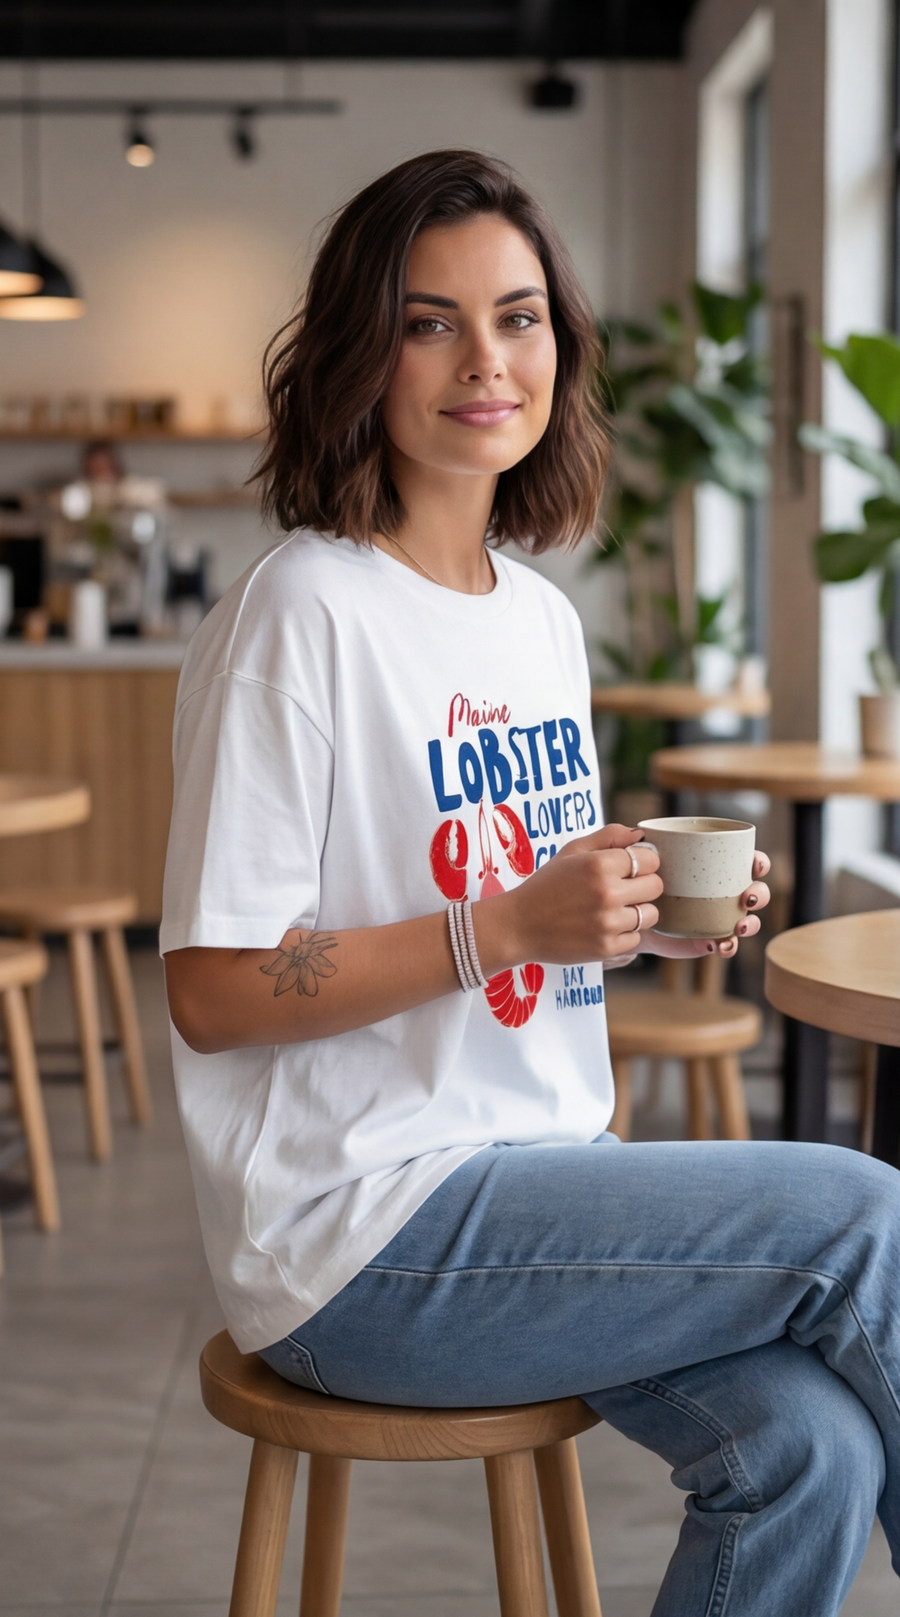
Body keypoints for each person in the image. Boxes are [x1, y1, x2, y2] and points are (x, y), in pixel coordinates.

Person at [162, 150, 900, 1615]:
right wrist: (502, 924)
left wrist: (610, 918)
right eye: (430, 322)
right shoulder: (300, 612)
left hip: (548, 1181)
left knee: (807, 1447)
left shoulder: (539, 624)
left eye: (519, 317)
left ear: (560, 342)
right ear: (359, 354)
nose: (485, 361)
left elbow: (505, 926)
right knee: (868, 1214)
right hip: (363, 1239)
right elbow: (210, 993)